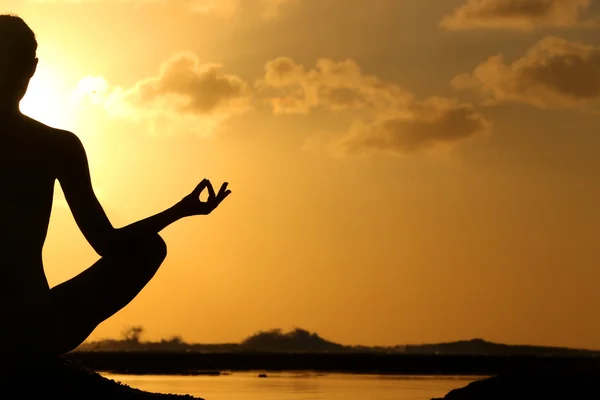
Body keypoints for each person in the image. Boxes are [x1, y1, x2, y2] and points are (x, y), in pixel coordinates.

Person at [0, 14, 231, 356]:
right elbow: (110, 244)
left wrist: (180, 210)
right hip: (30, 326)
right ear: (32, 67)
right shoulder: (55, 145)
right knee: (150, 248)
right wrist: (179, 211)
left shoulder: (56, 145)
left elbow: (108, 243)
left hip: (30, 323)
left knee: (148, 247)